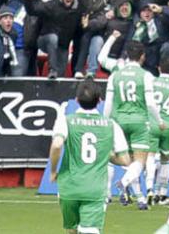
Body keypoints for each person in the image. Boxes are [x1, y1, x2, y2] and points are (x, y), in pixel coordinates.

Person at [49, 77, 130, 234]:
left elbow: (57, 144)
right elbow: (125, 160)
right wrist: (106, 153)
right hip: (94, 188)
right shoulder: (111, 125)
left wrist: (53, 171)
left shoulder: (66, 120)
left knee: (71, 230)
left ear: (76, 100)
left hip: (69, 187)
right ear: (99, 101)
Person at [104, 40, 164, 210]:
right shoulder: (145, 75)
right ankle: (124, 182)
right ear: (142, 56)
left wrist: (105, 121)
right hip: (139, 121)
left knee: (127, 161)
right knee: (140, 161)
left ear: (126, 55)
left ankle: (140, 197)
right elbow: (151, 103)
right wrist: (159, 120)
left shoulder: (115, 75)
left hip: (119, 121)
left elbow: (108, 103)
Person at [146, 55, 169, 206]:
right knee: (166, 160)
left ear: (159, 68)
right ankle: (162, 194)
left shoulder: (152, 82)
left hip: (153, 124)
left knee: (150, 157)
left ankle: (150, 189)